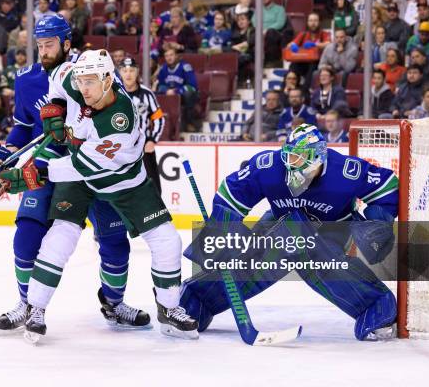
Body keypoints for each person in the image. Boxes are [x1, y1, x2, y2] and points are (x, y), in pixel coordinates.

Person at [0, 48, 198, 343]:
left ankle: (169, 309)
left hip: (121, 180)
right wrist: (54, 107)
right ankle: (35, 309)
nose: (83, 88)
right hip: (80, 173)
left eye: (90, 82)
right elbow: (57, 79)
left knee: (168, 239)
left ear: (108, 80)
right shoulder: (72, 78)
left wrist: (31, 175)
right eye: (81, 81)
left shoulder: (120, 122)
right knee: (60, 236)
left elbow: (79, 167)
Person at [0, 14, 152, 336]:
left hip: (94, 167)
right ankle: (27, 304)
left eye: (50, 44)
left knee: (114, 240)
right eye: (39, 45)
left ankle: (114, 304)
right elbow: (24, 127)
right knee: (28, 231)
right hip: (49, 164)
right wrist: (4, 153)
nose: (43, 51)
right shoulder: (26, 79)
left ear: (66, 43)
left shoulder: (85, 73)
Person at [180, 124, 399, 341]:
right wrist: (222, 232)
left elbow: (387, 186)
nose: (291, 164)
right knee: (253, 261)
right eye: (289, 156)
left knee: (321, 264)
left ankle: (376, 305)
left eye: (299, 158)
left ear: (318, 157)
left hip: (330, 230)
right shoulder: (270, 166)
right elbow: (232, 193)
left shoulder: (345, 171)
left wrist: (377, 224)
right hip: (280, 220)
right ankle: (197, 300)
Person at [119, 57, 165, 194]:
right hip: (120, 150)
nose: (128, 74)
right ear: (119, 72)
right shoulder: (115, 94)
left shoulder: (147, 94)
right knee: (122, 189)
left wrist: (152, 140)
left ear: (137, 72)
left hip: (144, 148)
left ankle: (156, 214)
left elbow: (159, 119)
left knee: (153, 188)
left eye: (131, 70)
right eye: (124, 70)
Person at [156, 48, 200, 132]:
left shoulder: (185, 67)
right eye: (166, 56)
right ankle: (161, 125)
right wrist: (165, 91)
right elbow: (161, 85)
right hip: (169, 95)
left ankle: (189, 123)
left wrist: (175, 91)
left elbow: (192, 86)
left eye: (171, 55)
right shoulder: (163, 69)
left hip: (184, 96)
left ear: (176, 56)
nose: (169, 58)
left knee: (188, 93)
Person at [287, 12, 331, 88]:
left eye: (315, 21)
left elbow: (329, 44)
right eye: (310, 21)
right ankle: (290, 88)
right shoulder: (303, 34)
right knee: (293, 66)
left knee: (312, 67)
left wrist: (315, 45)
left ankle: (305, 90)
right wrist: (293, 46)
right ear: (307, 22)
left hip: (317, 62)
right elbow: (290, 45)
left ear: (319, 22)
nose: (313, 23)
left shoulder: (324, 33)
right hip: (303, 61)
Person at [253, 0, 286, 64]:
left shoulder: (280, 9)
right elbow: (254, 21)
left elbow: (280, 23)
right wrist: (261, 30)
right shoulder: (258, 9)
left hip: (275, 33)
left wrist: (266, 30)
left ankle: (271, 62)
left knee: (270, 33)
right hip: (260, 32)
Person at [227, 7, 255, 85]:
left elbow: (250, 42)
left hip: (249, 54)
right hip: (236, 54)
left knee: (240, 59)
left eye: (242, 19)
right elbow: (231, 46)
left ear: (248, 21)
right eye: (238, 20)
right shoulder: (235, 33)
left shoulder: (252, 31)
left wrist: (238, 46)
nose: (240, 22)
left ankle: (239, 82)